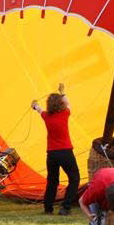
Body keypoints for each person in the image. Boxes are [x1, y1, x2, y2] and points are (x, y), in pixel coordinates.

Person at [31, 83, 80, 216]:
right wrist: (63, 92)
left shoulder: (46, 116)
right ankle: (65, 207)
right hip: (65, 152)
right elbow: (68, 103)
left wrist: (34, 105)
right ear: (60, 104)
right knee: (74, 178)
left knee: (52, 181)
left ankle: (48, 208)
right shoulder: (65, 113)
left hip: (51, 154)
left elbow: (39, 109)